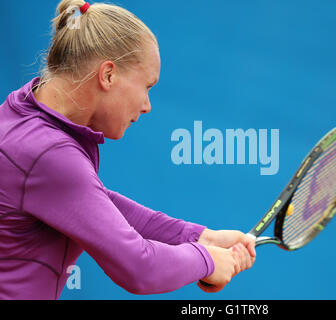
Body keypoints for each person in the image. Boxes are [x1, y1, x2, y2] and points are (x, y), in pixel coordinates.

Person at [0, 0, 256, 299]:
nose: (147, 106)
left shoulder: (21, 113)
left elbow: (91, 199)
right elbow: (139, 268)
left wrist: (201, 237)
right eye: (147, 86)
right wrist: (207, 260)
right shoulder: (48, 154)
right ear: (108, 75)